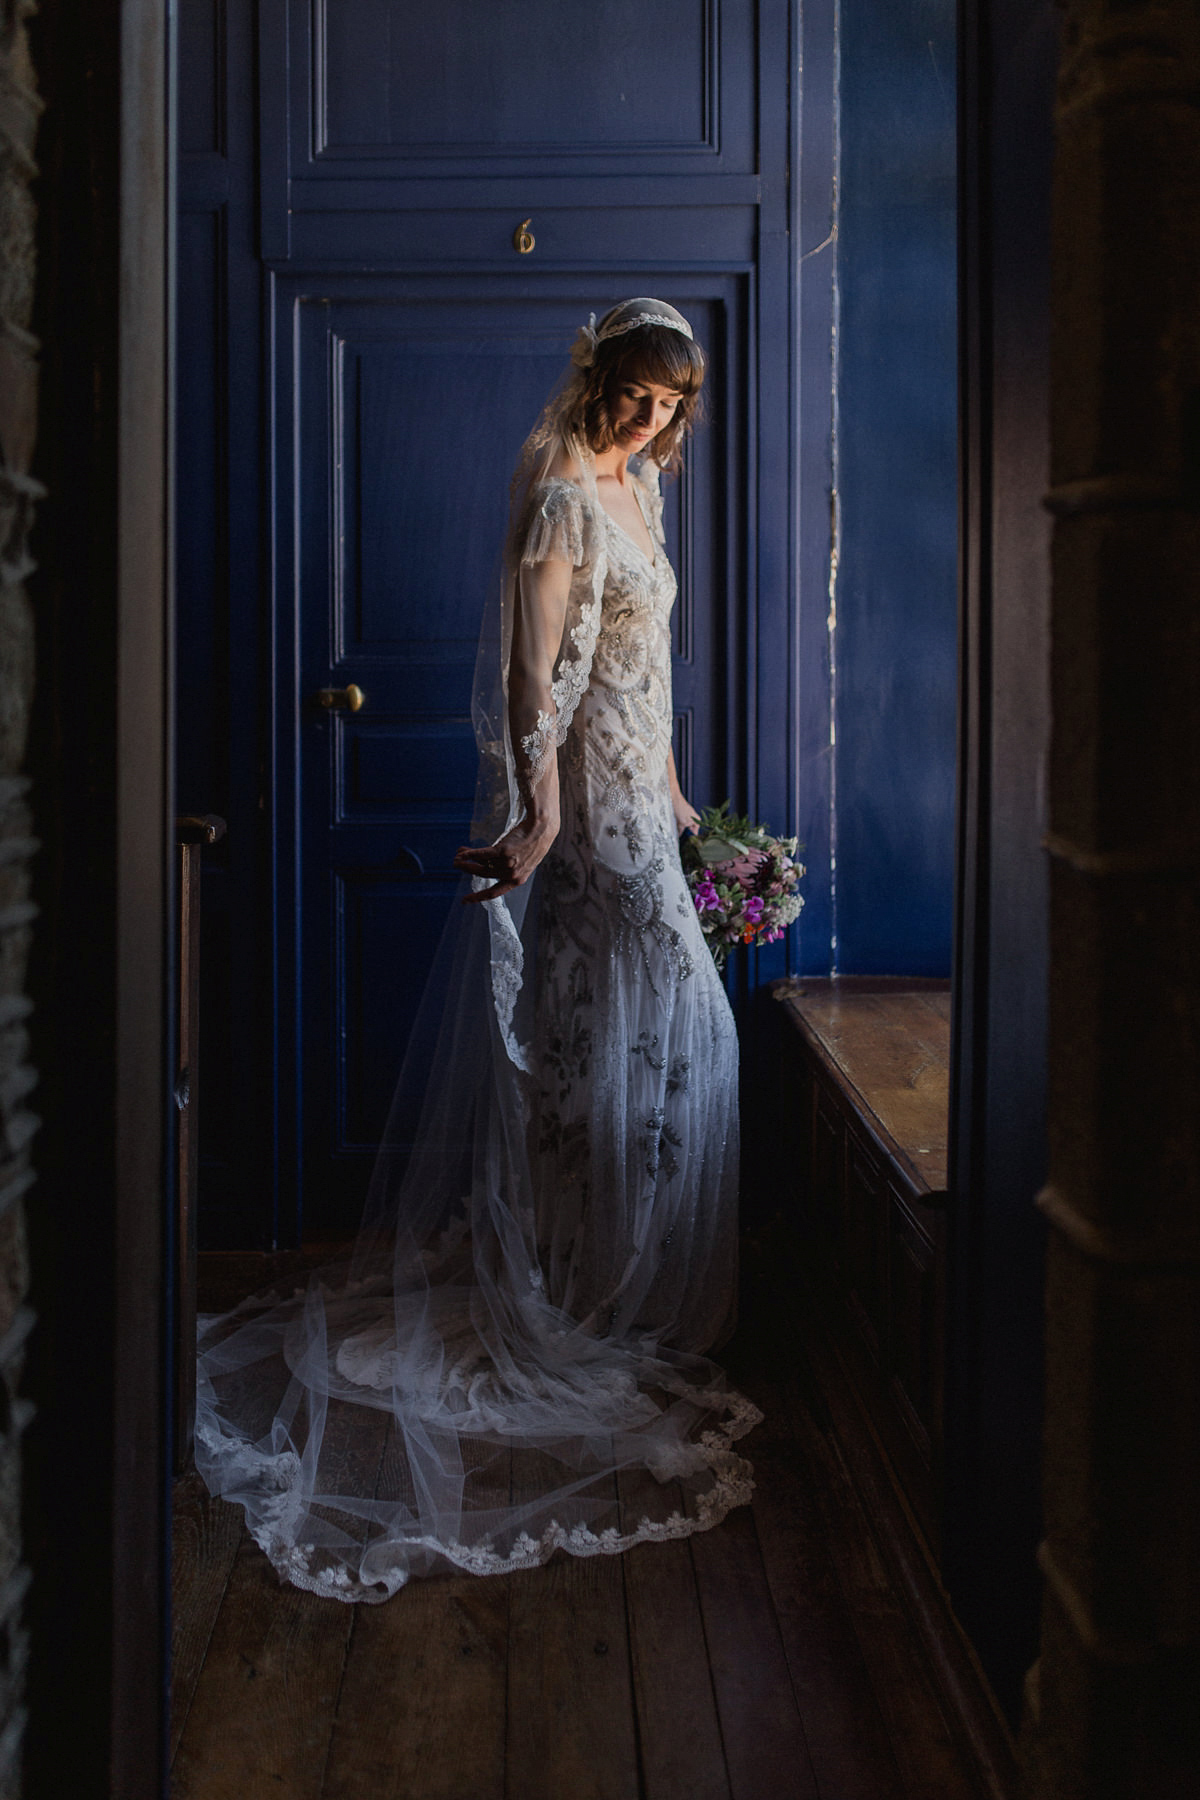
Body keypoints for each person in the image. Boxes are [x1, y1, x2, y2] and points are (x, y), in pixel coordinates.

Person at [194, 299, 760, 1602]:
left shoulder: (637, 489)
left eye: (671, 403)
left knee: (608, 1039)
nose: (649, 417)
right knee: (661, 1026)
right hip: (582, 811)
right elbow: (530, 671)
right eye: (634, 393)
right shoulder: (562, 486)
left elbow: (645, 659)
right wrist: (541, 810)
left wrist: (678, 795)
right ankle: (591, 1288)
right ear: (600, 378)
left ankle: (598, 1281)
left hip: (638, 792)